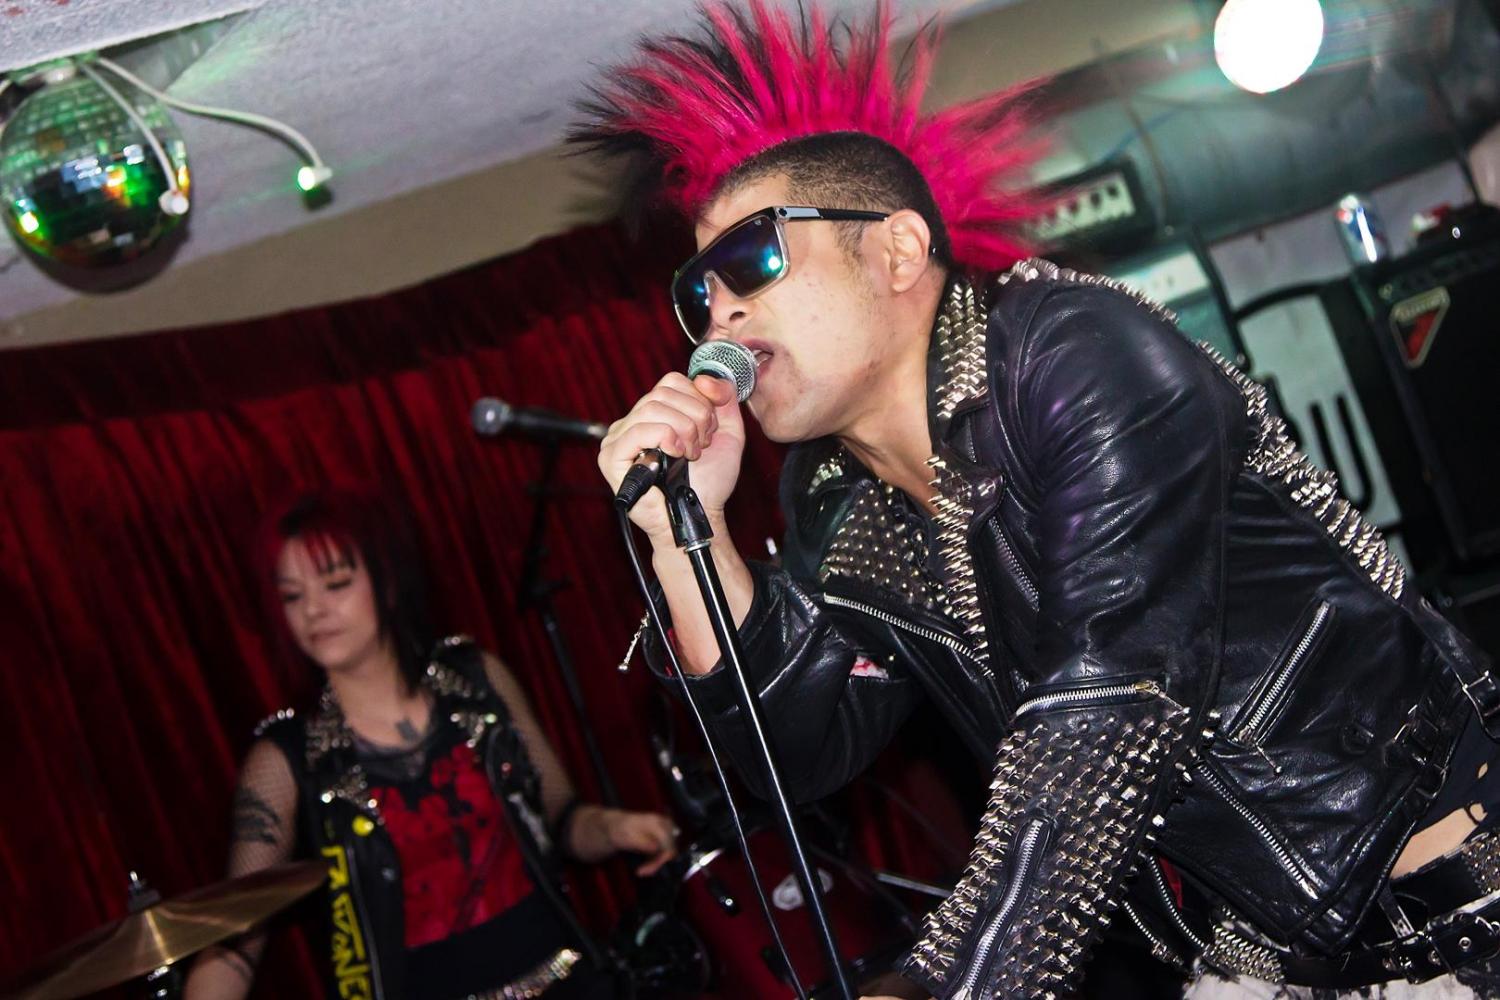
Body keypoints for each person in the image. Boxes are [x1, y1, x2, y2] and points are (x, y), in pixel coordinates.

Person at [575, 2, 1500, 997]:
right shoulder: (841, 500)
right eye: (696, 294)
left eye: (750, 258)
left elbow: (1113, 700)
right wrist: (687, 531)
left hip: (1457, 913)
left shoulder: (1070, 357)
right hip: (1263, 962)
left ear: (896, 252)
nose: (718, 309)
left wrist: (943, 982)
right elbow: (797, 746)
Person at [184, 489, 677, 1000]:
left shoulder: (477, 679)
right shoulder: (286, 758)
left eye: (335, 583)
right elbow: (237, 940)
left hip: (563, 982)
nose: (313, 610)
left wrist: (615, 828)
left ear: (386, 580)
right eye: (291, 596)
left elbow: (562, 819)